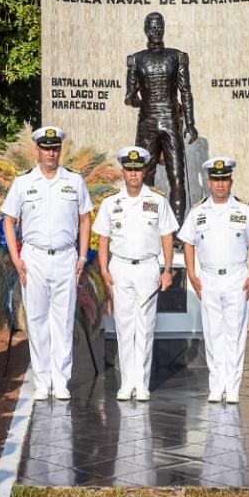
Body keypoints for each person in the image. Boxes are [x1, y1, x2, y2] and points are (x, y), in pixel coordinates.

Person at [1, 127, 92, 400]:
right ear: (37, 150)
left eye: (55, 148)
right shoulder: (23, 182)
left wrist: (83, 256)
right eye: (46, 148)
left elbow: (85, 218)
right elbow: (8, 219)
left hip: (66, 257)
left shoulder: (74, 181)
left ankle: (61, 379)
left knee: (63, 320)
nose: (51, 153)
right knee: (37, 319)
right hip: (34, 258)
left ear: (59, 150)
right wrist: (16, 259)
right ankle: (42, 380)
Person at [178, 156, 249, 403]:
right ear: (209, 182)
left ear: (231, 181)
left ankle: (233, 386)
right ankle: (217, 386)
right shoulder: (198, 211)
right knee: (213, 333)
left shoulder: (244, 210)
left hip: (237, 278)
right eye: (216, 180)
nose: (220, 184)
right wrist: (192, 276)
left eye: (224, 179)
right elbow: (187, 242)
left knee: (235, 335)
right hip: (208, 279)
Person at [94, 146, 178, 401]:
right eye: (129, 169)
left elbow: (167, 236)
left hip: (147, 268)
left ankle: (141, 384)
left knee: (145, 327)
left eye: (138, 169)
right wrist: (104, 271)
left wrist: (167, 269)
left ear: (144, 171)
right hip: (119, 267)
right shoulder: (111, 203)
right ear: (123, 171)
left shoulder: (157, 201)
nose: (133, 174)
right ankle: (126, 382)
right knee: (123, 326)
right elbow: (103, 240)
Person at [124, 12, 198, 224]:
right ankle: (145, 223)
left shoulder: (177, 56)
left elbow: (186, 91)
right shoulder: (136, 59)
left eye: (159, 27)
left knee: (177, 176)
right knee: (144, 176)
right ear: (146, 30)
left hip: (171, 121)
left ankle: (176, 229)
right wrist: (143, 101)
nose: (156, 31)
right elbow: (129, 97)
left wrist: (190, 123)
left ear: (163, 29)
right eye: (152, 28)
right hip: (147, 122)